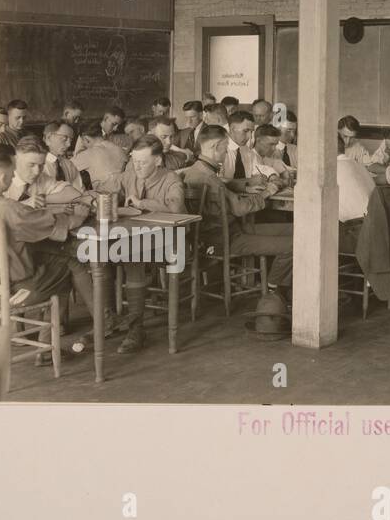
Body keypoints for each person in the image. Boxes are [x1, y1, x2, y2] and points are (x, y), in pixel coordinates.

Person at [182, 126, 294, 294]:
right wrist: (267, 192)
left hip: (223, 232)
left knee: (294, 229)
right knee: (294, 244)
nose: (227, 152)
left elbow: (223, 184)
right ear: (214, 147)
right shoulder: (210, 178)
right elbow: (241, 208)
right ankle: (274, 289)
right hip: (226, 239)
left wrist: (244, 185)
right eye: (225, 147)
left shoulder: (196, 170)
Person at [112, 136, 188, 354]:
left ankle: (136, 328)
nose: (136, 166)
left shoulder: (171, 178)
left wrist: (141, 203)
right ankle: (109, 319)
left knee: (131, 254)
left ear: (158, 160)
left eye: (142, 162)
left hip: (171, 243)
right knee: (103, 255)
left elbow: (176, 209)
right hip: (138, 239)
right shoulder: (130, 176)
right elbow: (106, 189)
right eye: (134, 161)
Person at [0, 153, 89, 308]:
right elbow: (51, 225)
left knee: (51, 261)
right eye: (12, 175)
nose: (13, 178)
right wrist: (79, 217)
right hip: (16, 291)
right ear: (2, 178)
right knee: (68, 268)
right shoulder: (9, 209)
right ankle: (53, 331)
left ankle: (38, 330)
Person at [71, 121, 127, 193]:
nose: (83, 144)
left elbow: (65, 168)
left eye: (82, 141)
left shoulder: (89, 154)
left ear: (87, 139)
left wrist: (77, 151)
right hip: (124, 195)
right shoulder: (119, 149)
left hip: (104, 198)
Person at [38, 121, 85, 192]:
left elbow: (80, 191)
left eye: (71, 140)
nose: (69, 144)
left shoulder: (69, 165)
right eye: (64, 139)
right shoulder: (37, 165)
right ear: (48, 139)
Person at [221, 110, 262, 182]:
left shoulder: (247, 151)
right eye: (246, 131)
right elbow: (218, 180)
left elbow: (259, 169)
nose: (249, 136)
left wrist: (272, 176)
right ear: (232, 129)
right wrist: (248, 182)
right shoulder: (220, 150)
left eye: (251, 132)